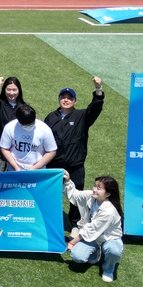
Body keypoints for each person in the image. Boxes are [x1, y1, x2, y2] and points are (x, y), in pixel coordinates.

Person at [45, 77, 105, 232]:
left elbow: (96, 107)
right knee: (51, 195)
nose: (66, 100)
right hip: (54, 165)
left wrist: (98, 89)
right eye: (63, 97)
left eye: (69, 98)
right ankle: (49, 222)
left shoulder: (82, 116)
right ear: (58, 99)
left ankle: (75, 224)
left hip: (75, 165)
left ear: (75, 101)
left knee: (76, 197)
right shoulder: (51, 117)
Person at [64, 171, 124, 283]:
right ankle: (94, 253)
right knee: (77, 256)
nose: (94, 189)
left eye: (99, 188)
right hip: (92, 236)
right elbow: (74, 195)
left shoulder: (109, 211)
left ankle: (108, 269)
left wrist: (72, 242)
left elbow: (91, 230)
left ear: (108, 194)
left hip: (109, 238)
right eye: (95, 186)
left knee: (113, 250)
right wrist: (67, 180)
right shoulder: (90, 197)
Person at [0, 104, 57, 171]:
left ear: (35, 116)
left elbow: (51, 151)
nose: (28, 127)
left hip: (37, 171)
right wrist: (16, 167)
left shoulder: (44, 129)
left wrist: (35, 167)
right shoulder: (10, 127)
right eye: (24, 125)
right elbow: (4, 148)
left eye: (31, 124)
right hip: (14, 170)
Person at [0, 75, 26, 169]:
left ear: (19, 90)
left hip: (17, 153)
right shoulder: (0, 104)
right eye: (8, 89)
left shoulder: (23, 107)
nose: (11, 93)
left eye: (14, 90)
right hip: (0, 151)